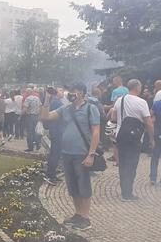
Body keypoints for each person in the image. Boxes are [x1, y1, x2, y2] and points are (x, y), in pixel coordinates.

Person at [41, 82, 101, 230]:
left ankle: (85, 218)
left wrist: (91, 154)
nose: (70, 93)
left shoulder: (90, 109)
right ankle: (78, 214)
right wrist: (47, 100)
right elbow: (45, 117)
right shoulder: (66, 109)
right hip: (67, 152)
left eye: (73, 91)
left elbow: (96, 132)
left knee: (83, 185)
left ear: (81, 92)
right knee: (73, 186)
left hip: (82, 153)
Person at [111, 79, 154, 201]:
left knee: (123, 164)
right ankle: (127, 193)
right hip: (135, 137)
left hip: (121, 136)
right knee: (132, 164)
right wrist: (151, 138)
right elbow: (148, 122)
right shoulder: (142, 102)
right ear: (137, 88)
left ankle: (124, 190)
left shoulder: (120, 100)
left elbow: (113, 117)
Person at [44, 87, 64, 185]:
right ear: (56, 93)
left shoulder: (55, 101)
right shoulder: (56, 102)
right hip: (57, 129)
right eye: (60, 90)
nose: (63, 92)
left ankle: (52, 174)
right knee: (55, 153)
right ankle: (50, 175)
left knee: (54, 152)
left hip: (56, 129)